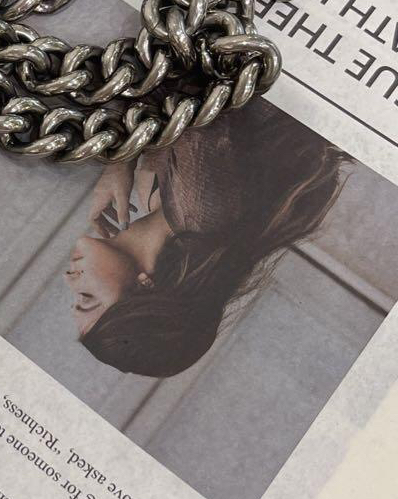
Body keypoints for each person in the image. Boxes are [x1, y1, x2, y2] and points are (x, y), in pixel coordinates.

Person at [65, 99, 347, 378]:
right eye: (86, 297)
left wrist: (121, 162)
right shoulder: (201, 207)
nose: (69, 279)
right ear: (146, 289)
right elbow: (193, 89)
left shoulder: (156, 202)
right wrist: (120, 157)